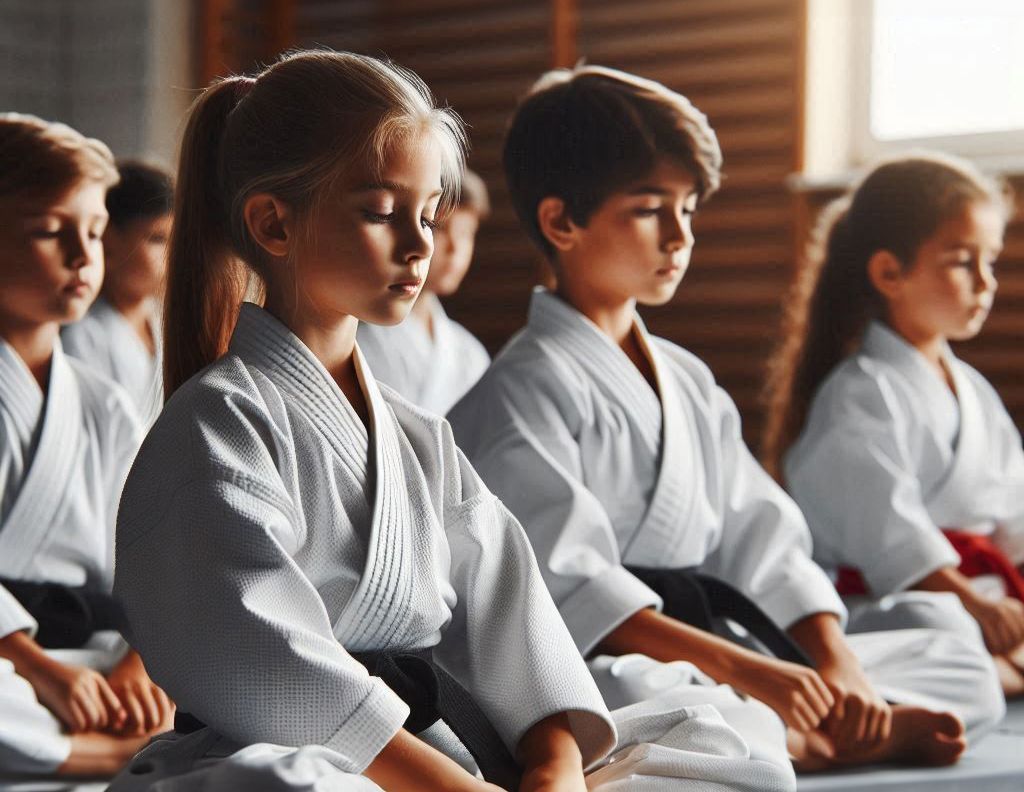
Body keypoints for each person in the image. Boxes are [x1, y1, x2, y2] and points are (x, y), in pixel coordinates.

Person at [107, 50, 795, 792]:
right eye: (379, 212)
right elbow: (257, 655)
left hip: (445, 745)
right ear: (273, 223)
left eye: (429, 213)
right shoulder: (217, 423)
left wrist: (551, 763)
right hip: (309, 759)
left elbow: (513, 621)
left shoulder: (417, 437)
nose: (419, 244)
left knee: (729, 741)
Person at [448, 66, 1005, 775]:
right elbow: (570, 597)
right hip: (605, 656)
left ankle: (823, 722)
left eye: (689, 209)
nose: (679, 236)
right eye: (650, 210)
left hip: (721, 642)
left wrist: (833, 662)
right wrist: (758, 674)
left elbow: (758, 533)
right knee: (652, 699)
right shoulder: (520, 394)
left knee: (950, 647)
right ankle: (812, 739)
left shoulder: (686, 378)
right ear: (562, 221)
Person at [765, 153, 1024, 696]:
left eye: (991, 262)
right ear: (890, 273)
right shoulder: (860, 395)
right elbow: (891, 541)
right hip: (888, 604)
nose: (985, 282)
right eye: (960, 261)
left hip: (981, 596)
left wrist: (1000, 600)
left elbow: (1013, 516)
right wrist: (974, 603)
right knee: (944, 627)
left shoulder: (972, 391)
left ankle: (1001, 667)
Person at [0, 113, 172, 785]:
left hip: (93, 661)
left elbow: (155, 560)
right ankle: (104, 757)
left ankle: (113, 733)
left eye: (96, 232)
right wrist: (34, 666)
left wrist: (140, 661)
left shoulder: (104, 405)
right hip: (15, 670)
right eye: (50, 231)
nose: (83, 255)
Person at [358, 168, 490, 415]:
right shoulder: (360, 338)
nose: (455, 248)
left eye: (466, 234)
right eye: (439, 228)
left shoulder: (470, 353)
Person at [62, 161, 173, 425]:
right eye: (157, 239)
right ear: (107, 243)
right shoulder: (83, 338)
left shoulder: (166, 323)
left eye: (175, 241)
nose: (172, 255)